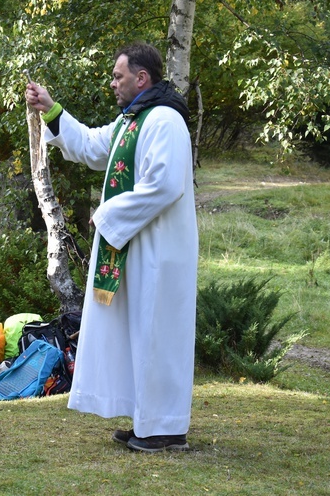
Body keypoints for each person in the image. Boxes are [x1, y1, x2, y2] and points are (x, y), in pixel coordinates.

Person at [25, 42, 198, 453]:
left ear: (142, 78)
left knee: (157, 334)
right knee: (140, 333)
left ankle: (165, 427)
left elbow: (166, 185)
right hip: (138, 248)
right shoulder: (133, 120)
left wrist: (107, 215)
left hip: (161, 252)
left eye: (118, 76)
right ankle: (148, 421)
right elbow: (89, 144)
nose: (113, 83)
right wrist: (50, 109)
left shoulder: (165, 120)